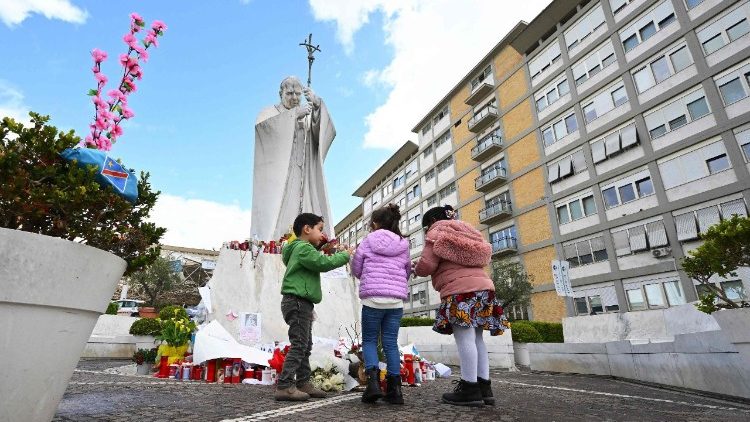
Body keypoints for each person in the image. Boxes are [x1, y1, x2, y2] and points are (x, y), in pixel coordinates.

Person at [414, 205, 509, 407]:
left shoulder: (437, 230)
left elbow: (427, 265)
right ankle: (485, 388)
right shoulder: (468, 231)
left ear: (431, 222)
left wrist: (415, 267)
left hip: (460, 291)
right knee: (477, 339)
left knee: (464, 338)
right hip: (484, 288)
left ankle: (469, 388)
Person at [274, 213, 351, 401]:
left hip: (301, 302)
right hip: (298, 302)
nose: (322, 234)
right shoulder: (302, 248)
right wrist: (345, 255)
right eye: (320, 229)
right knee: (300, 345)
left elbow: (315, 260)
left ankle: (303, 382)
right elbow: (323, 263)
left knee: (305, 345)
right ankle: (284, 385)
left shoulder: (298, 249)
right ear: (307, 229)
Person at [252, 76, 337, 242]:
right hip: (280, 175)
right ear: (280, 93)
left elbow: (322, 135)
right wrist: (293, 116)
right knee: (281, 210)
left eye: (298, 94)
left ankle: (305, 239)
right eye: (289, 93)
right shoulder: (270, 113)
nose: (294, 98)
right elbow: (263, 131)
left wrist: (317, 105)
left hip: (303, 173)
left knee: (305, 207)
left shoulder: (306, 114)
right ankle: (277, 240)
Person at [351, 204, 410, 404]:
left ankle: (373, 385)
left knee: (369, 341)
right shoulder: (403, 244)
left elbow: (357, 268)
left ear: (375, 224)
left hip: (372, 299)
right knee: (390, 343)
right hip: (395, 301)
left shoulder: (367, 241)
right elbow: (407, 270)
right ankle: (395, 391)